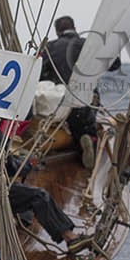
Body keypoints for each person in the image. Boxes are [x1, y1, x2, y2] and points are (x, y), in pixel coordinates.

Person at [0, 112, 86, 250]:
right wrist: (29, 163)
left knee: (20, 195)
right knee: (39, 196)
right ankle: (71, 238)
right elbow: (11, 168)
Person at [37, 15, 117, 167]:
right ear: (74, 28)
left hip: (59, 102)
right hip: (85, 100)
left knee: (68, 117)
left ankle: (78, 139)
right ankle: (89, 139)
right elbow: (115, 64)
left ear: (57, 31)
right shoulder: (88, 45)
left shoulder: (50, 47)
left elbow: (38, 73)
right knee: (85, 122)